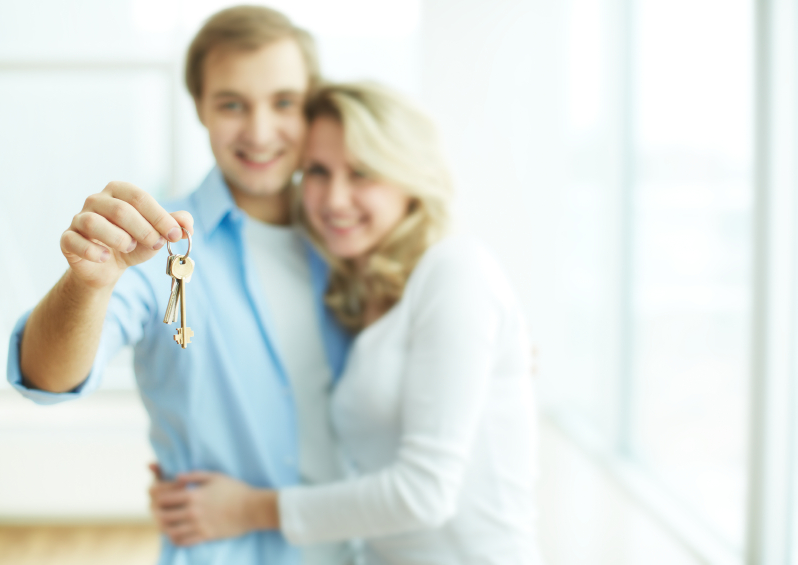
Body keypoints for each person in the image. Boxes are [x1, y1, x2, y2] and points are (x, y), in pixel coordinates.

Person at [7, 6, 354, 565]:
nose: (260, 131)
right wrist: (87, 285)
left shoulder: (354, 243)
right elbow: (46, 378)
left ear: (311, 104)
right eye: (232, 104)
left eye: (284, 102)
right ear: (199, 107)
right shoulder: (155, 246)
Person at [149, 82, 544, 564]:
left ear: (410, 178)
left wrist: (248, 509)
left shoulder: (456, 269)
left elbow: (425, 493)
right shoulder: (359, 300)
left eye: (362, 173)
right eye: (317, 171)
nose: (335, 199)